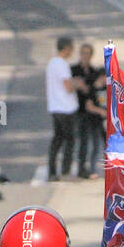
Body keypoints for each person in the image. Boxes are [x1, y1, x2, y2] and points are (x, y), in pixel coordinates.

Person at [45, 36, 79, 181]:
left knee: (57, 140)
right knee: (69, 140)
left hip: (55, 107)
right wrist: (77, 83)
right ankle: (65, 171)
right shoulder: (62, 65)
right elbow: (68, 87)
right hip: (66, 107)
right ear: (66, 48)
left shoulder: (51, 64)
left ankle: (52, 171)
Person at [71, 43, 106, 178]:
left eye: (87, 54)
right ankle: (82, 168)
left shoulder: (93, 71)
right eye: (83, 53)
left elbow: (91, 89)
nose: (85, 56)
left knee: (93, 142)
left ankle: (88, 169)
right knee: (82, 141)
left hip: (92, 114)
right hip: (77, 109)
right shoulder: (74, 69)